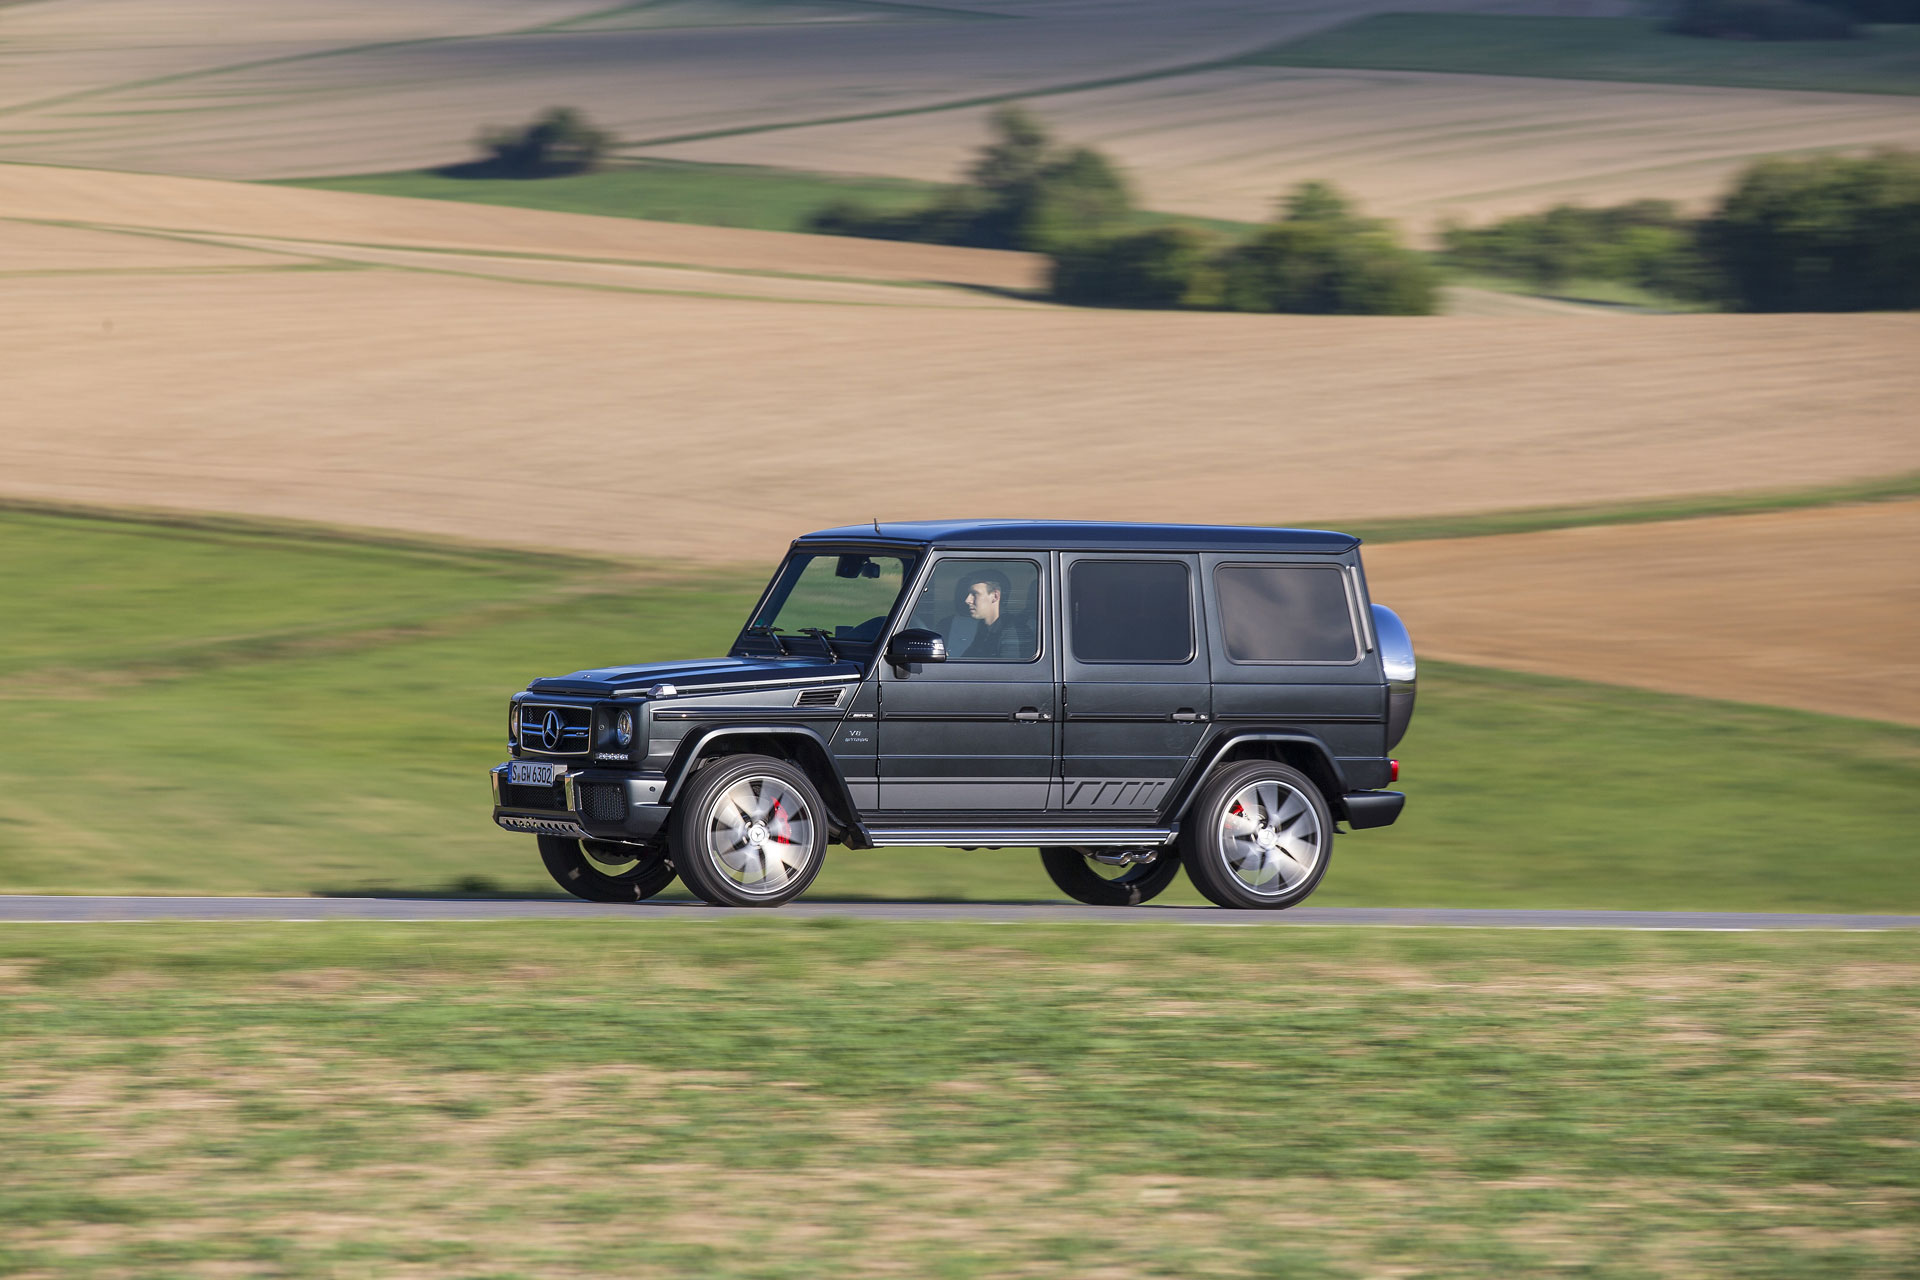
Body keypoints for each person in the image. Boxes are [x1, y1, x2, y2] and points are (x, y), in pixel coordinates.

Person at [949, 569, 1031, 659]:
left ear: (995, 596)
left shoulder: (1012, 632)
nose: (967, 600)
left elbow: (1010, 671)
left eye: (974, 594)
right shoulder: (984, 628)